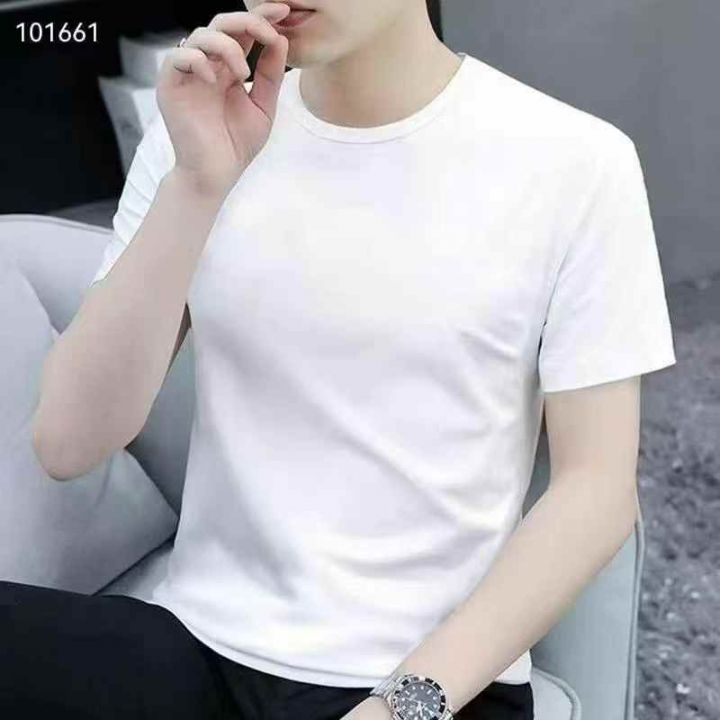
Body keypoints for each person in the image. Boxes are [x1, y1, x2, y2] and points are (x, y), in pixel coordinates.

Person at [11, 1, 676, 719]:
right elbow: (67, 442)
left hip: (425, 682)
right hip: (200, 645)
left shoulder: (575, 163)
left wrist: (402, 706)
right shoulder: (197, 132)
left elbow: (596, 490)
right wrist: (197, 185)